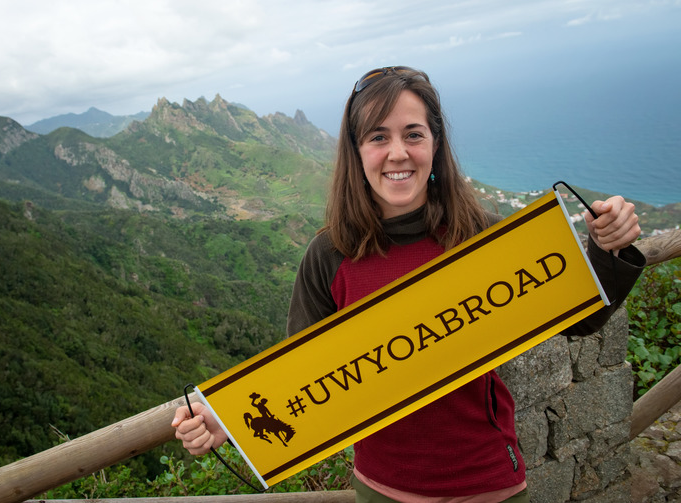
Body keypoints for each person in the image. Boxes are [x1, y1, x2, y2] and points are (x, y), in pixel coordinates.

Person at [172, 66, 646, 502]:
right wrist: (226, 420)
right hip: (383, 488)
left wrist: (609, 249)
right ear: (357, 152)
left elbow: (580, 320)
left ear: (435, 143)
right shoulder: (329, 255)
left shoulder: (479, 233)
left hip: (491, 483)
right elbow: (305, 377)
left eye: (413, 134)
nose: (398, 152)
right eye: (379, 137)